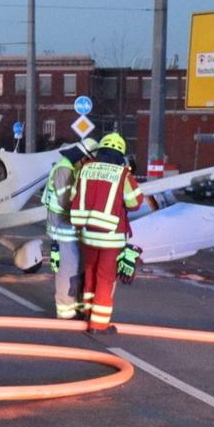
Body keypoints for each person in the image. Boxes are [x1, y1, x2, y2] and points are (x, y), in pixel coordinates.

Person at [69, 133, 144, 334]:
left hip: (87, 233)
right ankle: (99, 324)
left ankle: (87, 313)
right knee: (105, 278)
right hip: (111, 236)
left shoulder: (85, 169)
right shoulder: (122, 174)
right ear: (121, 154)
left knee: (90, 271)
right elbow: (135, 203)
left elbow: (74, 196)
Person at [41, 138, 97, 320]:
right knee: (68, 268)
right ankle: (65, 310)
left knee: (77, 266)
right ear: (84, 157)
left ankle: (76, 305)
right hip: (63, 226)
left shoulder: (70, 167)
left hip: (68, 225)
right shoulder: (64, 169)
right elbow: (67, 201)